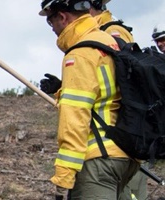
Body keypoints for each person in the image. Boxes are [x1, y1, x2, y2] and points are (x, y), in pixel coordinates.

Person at [38, 0, 140, 199]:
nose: (52, 29)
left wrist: (64, 177)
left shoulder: (80, 54)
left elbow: (75, 118)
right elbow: (106, 95)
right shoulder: (110, 42)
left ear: (62, 17)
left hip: (98, 159)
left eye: (50, 22)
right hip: (126, 156)